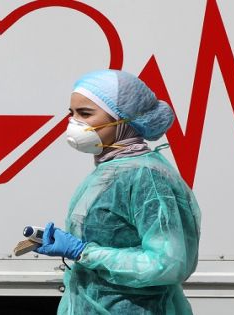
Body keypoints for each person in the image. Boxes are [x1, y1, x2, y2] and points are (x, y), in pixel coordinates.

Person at [35, 70, 201, 314]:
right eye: (72, 113)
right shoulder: (111, 169)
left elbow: (168, 264)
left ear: (123, 119)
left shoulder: (147, 177)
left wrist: (83, 252)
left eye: (85, 114)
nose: (74, 123)